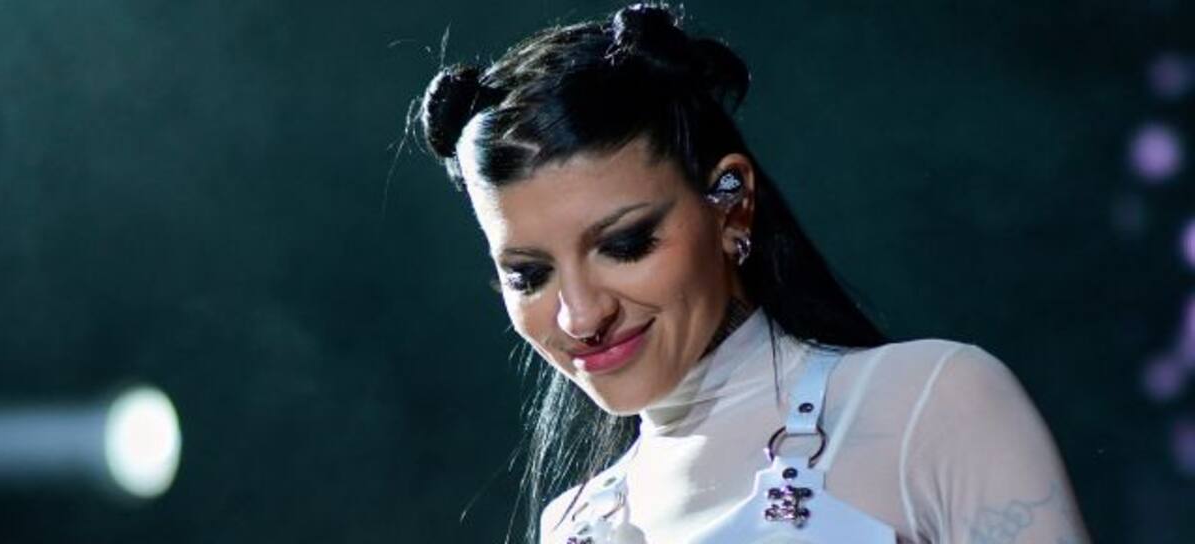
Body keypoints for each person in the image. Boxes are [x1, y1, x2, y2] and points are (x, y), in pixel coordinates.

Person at [417, 3, 1091, 543]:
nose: (582, 316)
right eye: (528, 276)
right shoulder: (574, 524)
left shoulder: (930, 402)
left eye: (625, 245)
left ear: (730, 202)